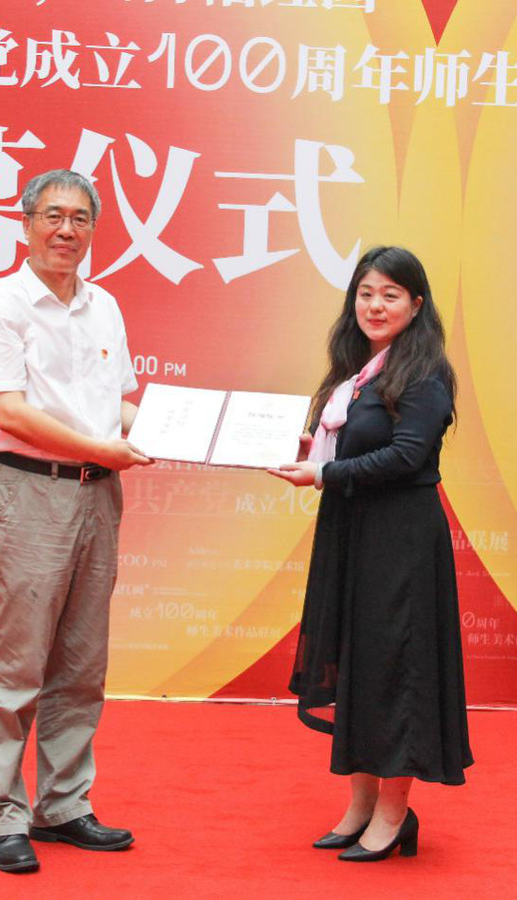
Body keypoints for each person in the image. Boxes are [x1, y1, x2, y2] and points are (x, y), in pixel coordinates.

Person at [0, 169, 152, 874]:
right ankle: (2, 815)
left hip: (99, 495)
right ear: (26, 224)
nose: (66, 230)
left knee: (81, 663)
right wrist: (101, 447)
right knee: (16, 665)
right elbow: (9, 411)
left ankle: (64, 806)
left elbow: (118, 406)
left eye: (79, 218)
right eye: (52, 216)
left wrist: (185, 429)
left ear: (93, 229)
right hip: (30, 493)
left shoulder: (105, 307)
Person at [269, 246, 473, 862]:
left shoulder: (426, 371)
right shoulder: (356, 370)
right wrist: (313, 452)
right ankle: (360, 806)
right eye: (365, 293)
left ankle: (393, 814)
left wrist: (324, 474)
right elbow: (353, 447)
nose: (375, 306)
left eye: (390, 294)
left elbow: (407, 456)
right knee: (358, 665)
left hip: (400, 541)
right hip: (351, 533)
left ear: (416, 303)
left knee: (395, 671)